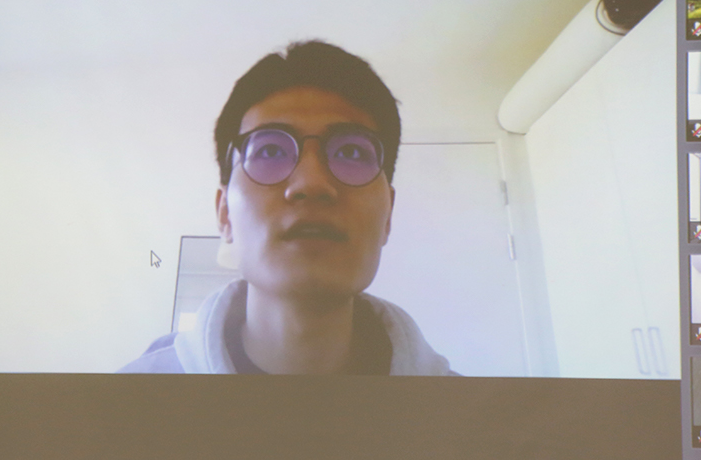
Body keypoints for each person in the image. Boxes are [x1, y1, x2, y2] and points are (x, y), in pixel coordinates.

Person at [121, 40, 455, 375]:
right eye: (269, 151)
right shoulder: (125, 402)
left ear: (388, 215)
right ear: (225, 214)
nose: (311, 183)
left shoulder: (470, 408)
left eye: (351, 152)